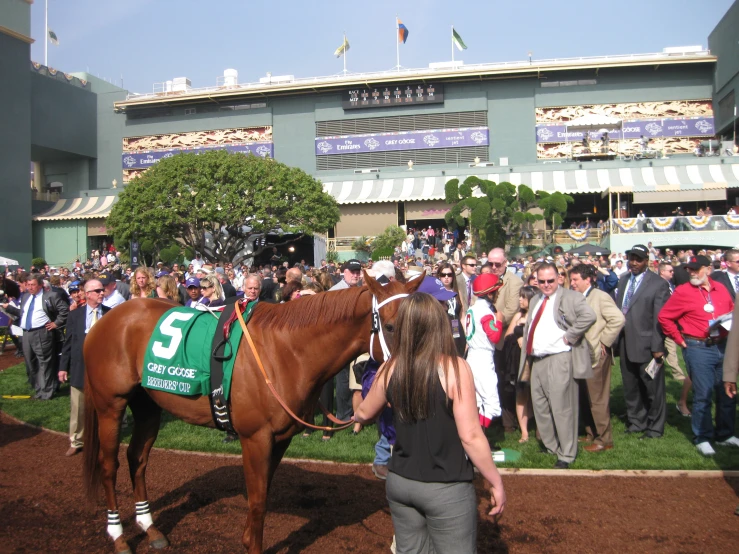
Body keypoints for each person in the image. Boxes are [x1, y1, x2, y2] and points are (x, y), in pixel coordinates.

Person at [354, 292, 505, 553]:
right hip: (446, 486)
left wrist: (353, 415)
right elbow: (470, 435)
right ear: (439, 325)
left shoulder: (390, 368)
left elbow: (364, 413)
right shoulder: (455, 368)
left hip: (401, 482)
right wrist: (495, 481)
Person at [659, 255, 738, 456]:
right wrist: (680, 339)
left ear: (708, 270)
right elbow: (665, 317)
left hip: (723, 344)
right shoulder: (683, 291)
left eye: (696, 269)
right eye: (689, 269)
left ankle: (725, 434)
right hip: (697, 346)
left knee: (726, 391)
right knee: (703, 393)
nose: (692, 273)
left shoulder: (721, 289)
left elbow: (732, 311)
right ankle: (702, 436)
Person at [519, 263, 596, 468]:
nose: (546, 285)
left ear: (559, 279)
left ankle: (567, 453)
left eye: (550, 281)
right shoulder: (536, 298)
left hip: (560, 358)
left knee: (563, 408)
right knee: (540, 406)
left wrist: (570, 336)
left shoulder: (571, 297)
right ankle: (550, 446)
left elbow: (589, 316)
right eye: (541, 281)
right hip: (537, 359)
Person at [615, 244, 670, 439]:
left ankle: (655, 427)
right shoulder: (623, 281)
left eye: (638, 259)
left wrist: (657, 347)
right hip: (625, 341)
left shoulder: (658, 284)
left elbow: (659, 319)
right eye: (631, 258)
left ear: (647, 261)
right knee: (631, 386)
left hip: (648, 344)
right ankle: (637, 421)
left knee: (652, 388)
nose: (634, 263)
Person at [569, 265, 625, 453]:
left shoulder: (600, 297)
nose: (572, 283)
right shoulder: (576, 297)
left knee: (597, 398)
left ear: (588, 279)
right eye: (572, 279)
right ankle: (591, 432)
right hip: (580, 355)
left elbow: (618, 319)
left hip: (597, 355)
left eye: (576, 279)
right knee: (585, 396)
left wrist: (605, 341)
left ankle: (605, 439)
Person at [58, 280, 109, 456]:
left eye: (102, 290)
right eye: (97, 291)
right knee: (78, 406)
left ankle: (103, 438)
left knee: (104, 405)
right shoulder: (75, 316)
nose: (101, 293)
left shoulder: (110, 314)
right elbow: (68, 343)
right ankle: (76, 440)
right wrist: (63, 368)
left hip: (103, 368)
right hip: (80, 367)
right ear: (87, 294)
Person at [2, 273, 69, 400]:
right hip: (26, 333)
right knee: (31, 363)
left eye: (33, 285)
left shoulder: (50, 296)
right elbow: (22, 313)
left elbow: (64, 310)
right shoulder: (26, 296)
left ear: (40, 285)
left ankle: (47, 391)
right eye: (28, 285)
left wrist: (56, 323)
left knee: (45, 363)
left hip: (42, 333)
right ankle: (39, 389)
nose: (30, 287)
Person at [488, 247, 524, 434]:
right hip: (488, 341)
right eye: (490, 263)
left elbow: (510, 311)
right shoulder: (486, 279)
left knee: (505, 381)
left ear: (505, 263)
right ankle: (493, 416)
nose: (494, 267)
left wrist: (490, 326)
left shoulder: (515, 282)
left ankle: (508, 422)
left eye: (497, 264)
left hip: (503, 339)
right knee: (491, 381)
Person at [465, 273, 504, 428]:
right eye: (496, 291)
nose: (497, 294)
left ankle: (475, 441)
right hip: (482, 358)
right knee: (492, 404)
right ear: (489, 293)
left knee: (478, 401)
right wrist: (499, 321)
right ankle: (478, 439)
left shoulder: (473, 308)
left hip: (472, 356)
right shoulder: (485, 311)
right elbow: (494, 336)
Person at [503, 286, 537, 443]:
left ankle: (539, 429)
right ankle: (524, 432)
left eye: (523, 297)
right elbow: (507, 336)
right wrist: (516, 340)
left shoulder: (538, 316)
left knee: (538, 395)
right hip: (519, 361)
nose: (520, 300)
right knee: (521, 394)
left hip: (536, 360)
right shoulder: (518, 315)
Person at [436, 262, 466, 356]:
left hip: (456, 326)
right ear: (439, 276)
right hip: (442, 329)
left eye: (449, 274)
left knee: (458, 355)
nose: (446, 277)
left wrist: (466, 336)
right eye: (443, 275)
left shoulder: (457, 292)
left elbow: (462, 315)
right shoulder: (436, 293)